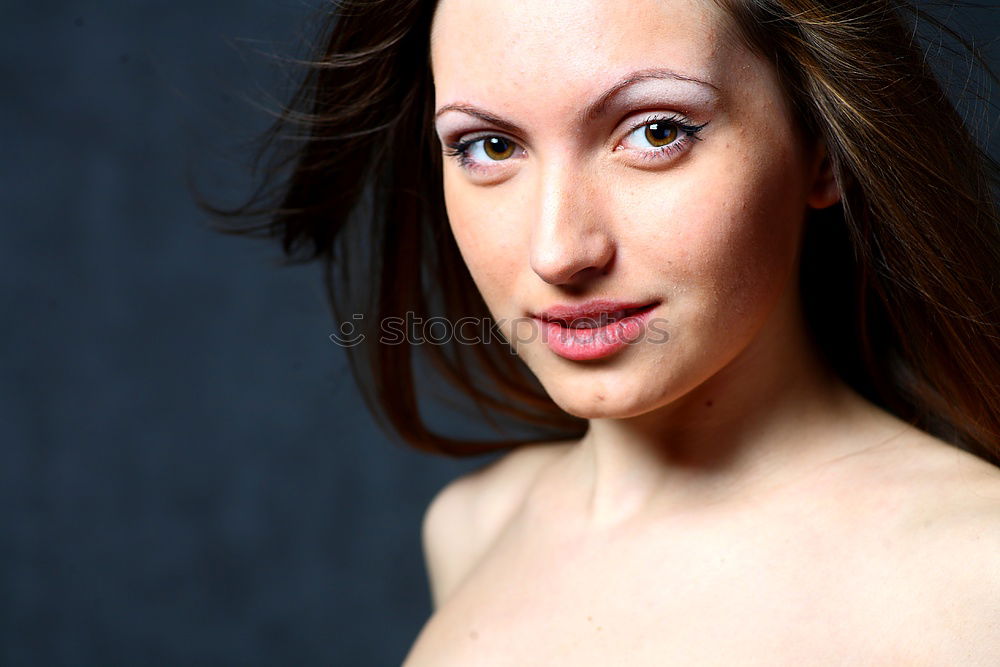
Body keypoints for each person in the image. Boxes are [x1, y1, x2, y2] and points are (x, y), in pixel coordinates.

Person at [214, 0, 1000, 662]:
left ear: (822, 148)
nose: (559, 250)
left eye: (656, 131)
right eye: (488, 146)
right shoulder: (474, 528)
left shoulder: (977, 573)